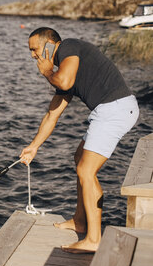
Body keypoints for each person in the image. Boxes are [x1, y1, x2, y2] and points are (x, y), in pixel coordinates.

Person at [19, 27, 139, 253]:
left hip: (115, 109)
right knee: (79, 158)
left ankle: (94, 239)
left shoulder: (69, 47)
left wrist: (47, 72)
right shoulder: (67, 71)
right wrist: (33, 147)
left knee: (86, 170)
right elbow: (51, 115)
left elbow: (63, 82)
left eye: (34, 49)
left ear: (50, 44)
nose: (33, 55)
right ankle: (80, 221)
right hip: (110, 110)